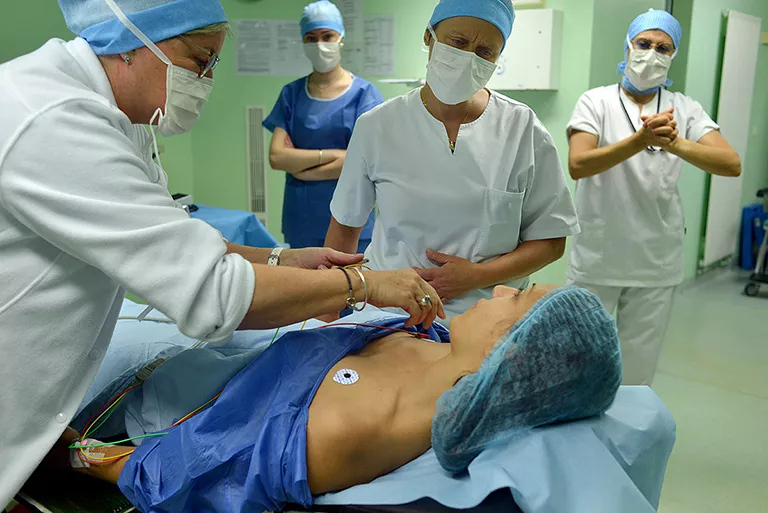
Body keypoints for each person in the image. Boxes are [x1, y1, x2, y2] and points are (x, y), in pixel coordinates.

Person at [0, 0, 443, 504]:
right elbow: (214, 295)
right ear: (130, 42)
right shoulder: (53, 120)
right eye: (199, 59)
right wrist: (364, 284)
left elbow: (174, 235)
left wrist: (278, 259)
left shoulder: (124, 116)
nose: (207, 80)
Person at [61, 285, 622, 512]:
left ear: (512, 352)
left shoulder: (354, 428)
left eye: (517, 296)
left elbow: (181, 473)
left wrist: (70, 453)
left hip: (147, 391)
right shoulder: (448, 352)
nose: (500, 289)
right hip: (216, 345)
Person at [325, 0, 580, 324]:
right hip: (390, 318)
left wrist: (476, 276)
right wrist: (327, 313)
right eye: (458, 42)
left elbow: (551, 240)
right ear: (429, 37)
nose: (468, 58)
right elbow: (344, 229)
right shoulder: (377, 126)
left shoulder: (523, 130)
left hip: (488, 320)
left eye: (485, 51)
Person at [566, 9, 742, 386]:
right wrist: (640, 141)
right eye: (644, 44)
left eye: (664, 47)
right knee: (579, 359)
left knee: (637, 370)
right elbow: (579, 164)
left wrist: (676, 143)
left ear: (674, 55)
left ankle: (625, 440)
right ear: (628, 46)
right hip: (598, 255)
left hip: (655, 260)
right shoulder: (595, 102)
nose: (652, 54)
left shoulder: (685, 107)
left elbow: (730, 162)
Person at [264, 0, 383, 251]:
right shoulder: (292, 94)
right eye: (311, 37)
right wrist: (336, 155)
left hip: (353, 219)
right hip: (302, 220)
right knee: (306, 287)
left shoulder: (365, 94)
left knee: (353, 287)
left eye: (327, 35)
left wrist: (302, 168)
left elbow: (366, 161)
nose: (320, 44)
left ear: (341, 37)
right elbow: (276, 157)